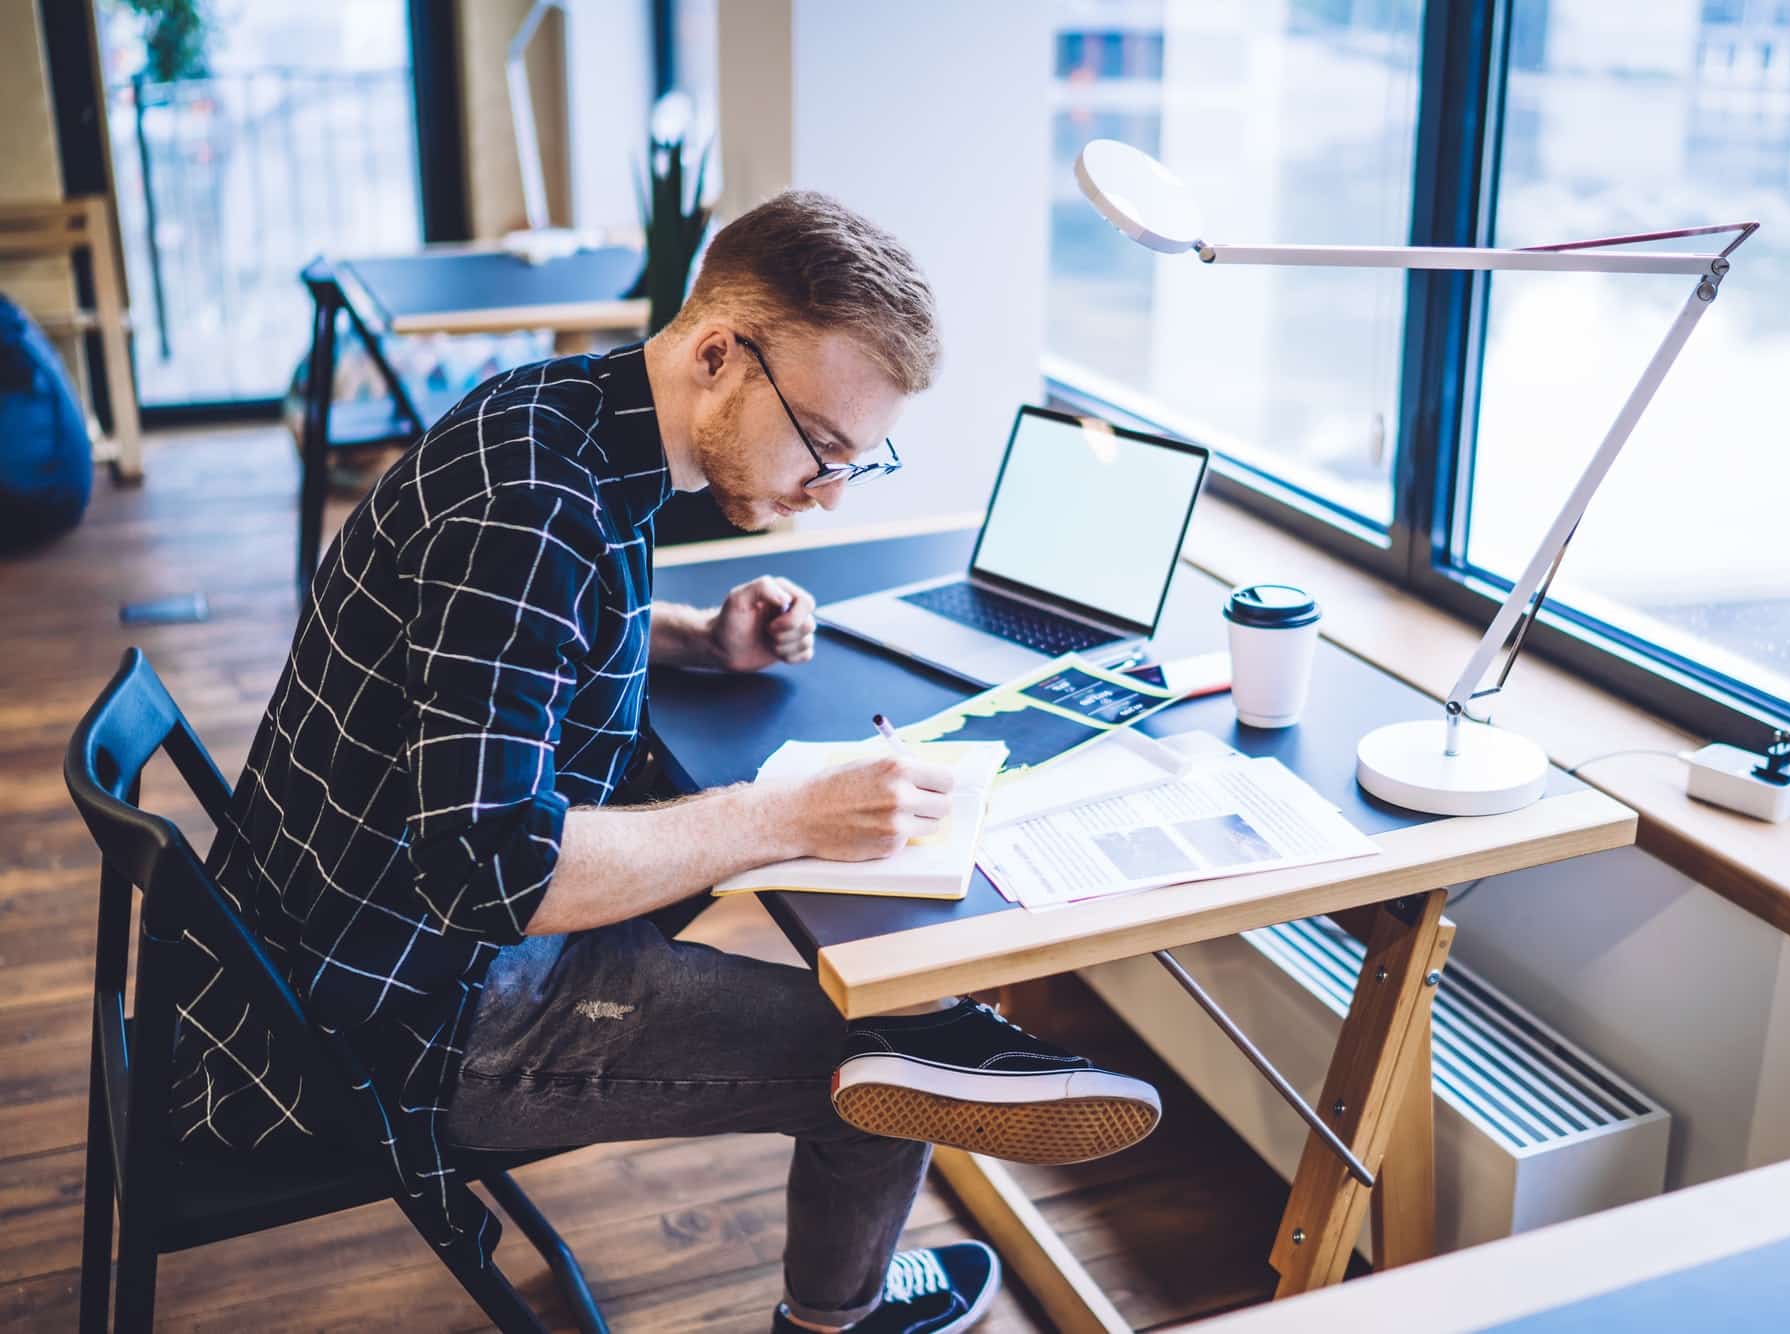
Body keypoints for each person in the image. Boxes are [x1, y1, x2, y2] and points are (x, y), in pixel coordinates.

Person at [172, 190, 1161, 1334]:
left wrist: (689, 633)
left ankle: (945, 1035)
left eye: (860, 460)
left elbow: (496, 644)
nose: (831, 490)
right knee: (879, 1077)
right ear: (716, 355)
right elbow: (495, 871)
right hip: (390, 1015)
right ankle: (836, 1311)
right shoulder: (531, 506)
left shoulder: (564, 419)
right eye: (824, 446)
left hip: (333, 940)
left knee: (894, 1000)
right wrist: (777, 814)